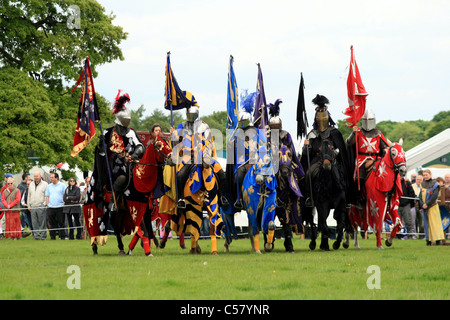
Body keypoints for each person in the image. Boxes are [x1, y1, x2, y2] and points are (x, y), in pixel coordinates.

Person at [170, 105, 228, 209]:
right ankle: (181, 199)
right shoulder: (182, 126)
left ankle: (222, 196)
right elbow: (177, 143)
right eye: (189, 114)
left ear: (197, 114)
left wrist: (202, 152)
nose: (190, 116)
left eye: (192, 114)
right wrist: (173, 135)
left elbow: (208, 141)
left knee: (222, 174)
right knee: (180, 175)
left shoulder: (203, 126)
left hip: (203, 156)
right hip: (189, 158)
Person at [301, 94, 350, 205]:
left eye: (324, 118)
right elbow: (306, 154)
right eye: (320, 119)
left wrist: (334, 152)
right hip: (317, 160)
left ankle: (344, 197)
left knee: (341, 173)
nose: (322, 121)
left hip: (332, 159)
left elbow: (340, 150)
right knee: (308, 173)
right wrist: (307, 146)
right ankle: (309, 197)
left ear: (328, 118)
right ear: (316, 119)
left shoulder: (334, 132)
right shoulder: (312, 134)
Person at [346, 108, 390, 208]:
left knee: (386, 174)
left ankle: (387, 196)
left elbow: (384, 146)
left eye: (370, 120)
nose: (368, 123)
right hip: (362, 159)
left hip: (376, 158)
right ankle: (358, 199)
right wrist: (353, 133)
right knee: (358, 177)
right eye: (366, 120)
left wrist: (386, 150)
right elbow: (349, 142)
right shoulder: (358, 132)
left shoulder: (378, 133)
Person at [419, 169, 445, 245]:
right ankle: (428, 241)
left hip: (432, 206)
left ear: (430, 174)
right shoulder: (422, 184)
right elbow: (420, 196)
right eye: (424, 175)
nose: (425, 176)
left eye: (426, 175)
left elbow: (434, 195)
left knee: (435, 224)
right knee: (426, 224)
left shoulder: (435, 184)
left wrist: (427, 203)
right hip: (425, 207)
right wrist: (422, 204)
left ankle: (437, 240)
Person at [46, 172, 66, 240]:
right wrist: (47, 204)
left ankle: (62, 236)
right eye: (50, 177)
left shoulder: (62, 185)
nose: (51, 179)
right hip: (51, 207)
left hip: (60, 206)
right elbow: (47, 196)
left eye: (52, 177)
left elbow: (65, 195)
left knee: (61, 222)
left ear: (56, 178)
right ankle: (53, 237)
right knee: (52, 223)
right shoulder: (49, 186)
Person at [28, 171, 48, 240]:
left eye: (37, 176)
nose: (36, 177)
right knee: (34, 222)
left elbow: (46, 195)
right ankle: (36, 236)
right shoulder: (31, 184)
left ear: (40, 176)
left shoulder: (45, 184)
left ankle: (43, 236)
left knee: (42, 222)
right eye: (34, 176)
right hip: (33, 206)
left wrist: (44, 204)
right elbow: (29, 195)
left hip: (40, 205)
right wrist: (29, 205)